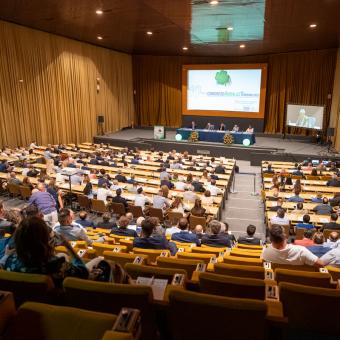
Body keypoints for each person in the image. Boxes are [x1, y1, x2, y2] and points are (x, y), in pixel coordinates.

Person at [0, 217, 88, 285]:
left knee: (62, 255)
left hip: (22, 303)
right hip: (55, 303)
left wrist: (6, 256)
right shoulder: (56, 265)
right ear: (45, 239)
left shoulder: (9, 261)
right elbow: (83, 272)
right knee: (98, 259)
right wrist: (68, 247)